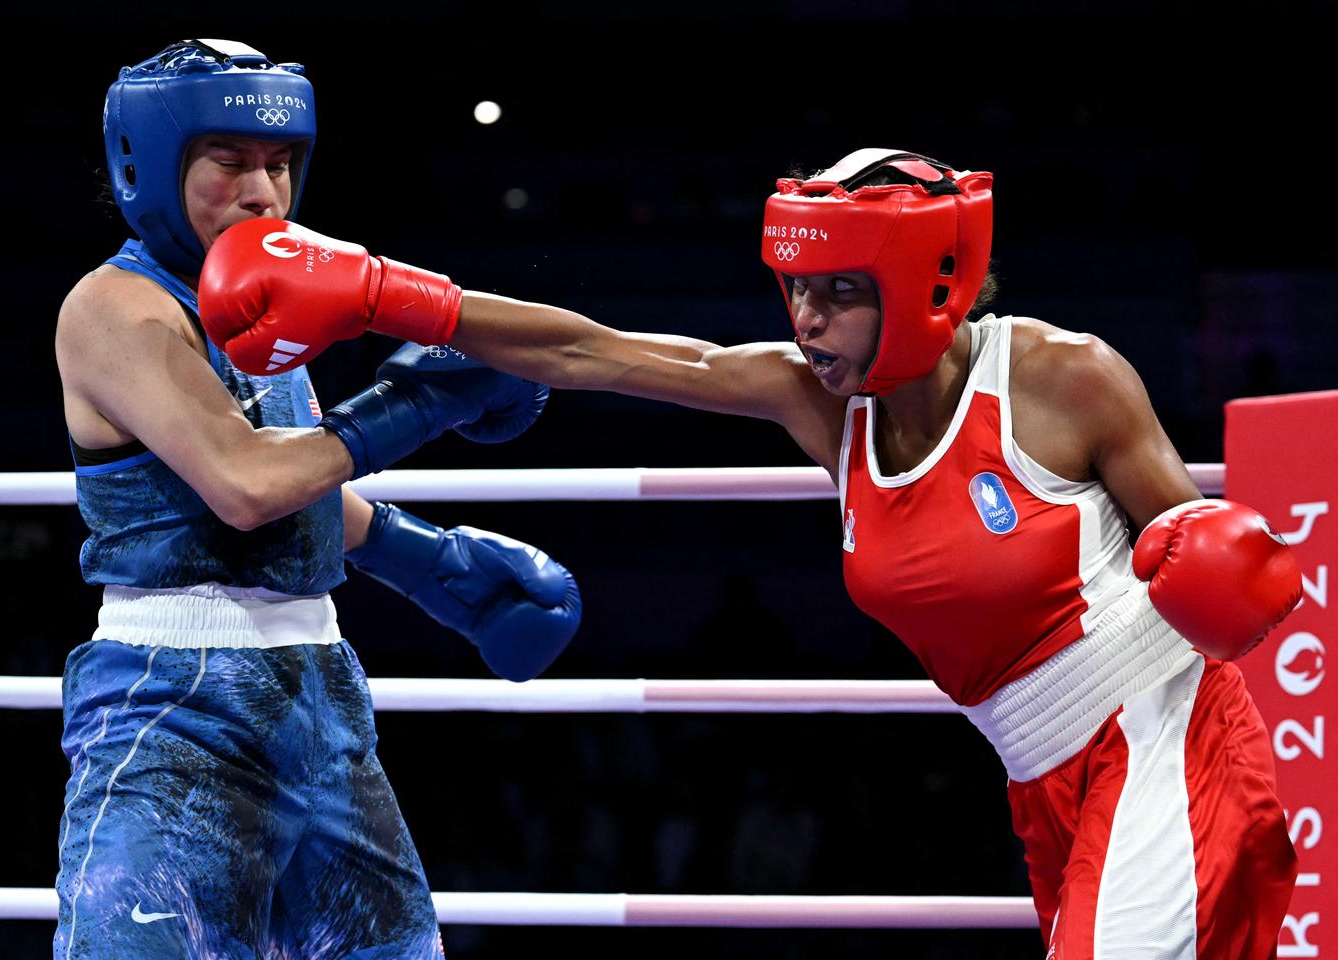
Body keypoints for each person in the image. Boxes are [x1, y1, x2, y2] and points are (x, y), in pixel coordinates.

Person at [203, 148, 1305, 958]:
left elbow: (1201, 559)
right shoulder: (820, 402)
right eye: (798, 290)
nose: (808, 321)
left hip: (1167, 742)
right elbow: (595, 354)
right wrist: (382, 293)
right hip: (1044, 782)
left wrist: (1222, 565)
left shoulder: (1064, 378)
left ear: (930, 283)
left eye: (838, 294)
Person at [54, 39, 580, 960]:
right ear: (146, 164)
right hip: (176, 699)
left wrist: (436, 565)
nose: (263, 192)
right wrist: (412, 407)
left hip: (319, 689)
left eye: (280, 162)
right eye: (229, 162)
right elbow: (245, 484)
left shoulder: (269, 306)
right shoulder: (114, 309)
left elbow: (291, 482)